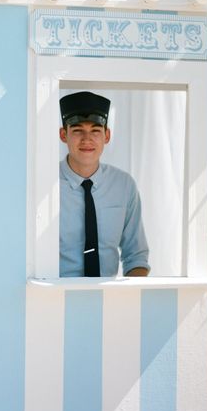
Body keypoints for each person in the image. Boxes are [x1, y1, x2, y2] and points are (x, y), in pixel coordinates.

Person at [59, 91, 150, 278]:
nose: (87, 139)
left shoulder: (124, 186)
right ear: (63, 134)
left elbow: (136, 256)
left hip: (109, 298)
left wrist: (127, 299)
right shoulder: (44, 185)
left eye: (95, 130)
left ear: (106, 136)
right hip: (53, 297)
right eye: (77, 130)